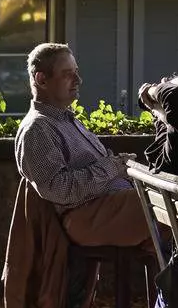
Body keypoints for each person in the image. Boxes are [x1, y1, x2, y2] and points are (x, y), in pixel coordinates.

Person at [15, 43, 152, 255]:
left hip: (109, 208)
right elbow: (58, 189)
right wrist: (112, 166)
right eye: (68, 74)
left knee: (174, 206)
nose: (79, 81)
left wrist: (126, 168)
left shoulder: (67, 120)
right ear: (41, 79)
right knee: (167, 209)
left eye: (77, 73)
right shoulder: (37, 129)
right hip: (85, 218)